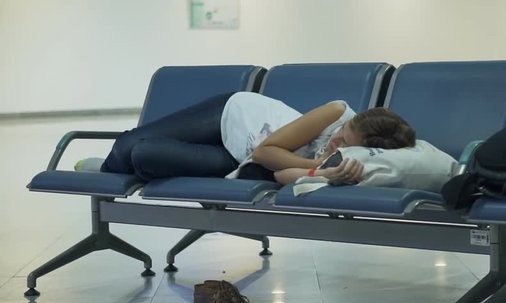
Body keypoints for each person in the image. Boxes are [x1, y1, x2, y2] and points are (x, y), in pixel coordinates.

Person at [101, 91, 416, 185]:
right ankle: (103, 169)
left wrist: (319, 172)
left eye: (346, 144)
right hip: (231, 114)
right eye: (341, 135)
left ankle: (128, 166)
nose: (337, 142)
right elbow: (267, 151)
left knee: (144, 154)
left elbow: (272, 166)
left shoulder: (356, 160)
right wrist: (315, 162)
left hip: (238, 157)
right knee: (125, 146)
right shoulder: (336, 111)